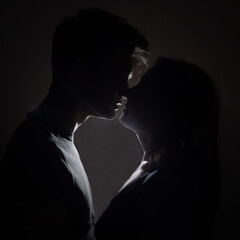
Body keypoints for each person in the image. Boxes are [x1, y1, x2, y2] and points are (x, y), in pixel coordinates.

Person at [0, 8, 148, 239]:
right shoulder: (37, 154)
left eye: (125, 78)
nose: (125, 90)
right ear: (80, 69)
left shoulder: (53, 144)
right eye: (117, 76)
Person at [95, 56, 221, 240]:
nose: (129, 93)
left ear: (167, 107)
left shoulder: (170, 185)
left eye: (143, 87)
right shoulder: (156, 167)